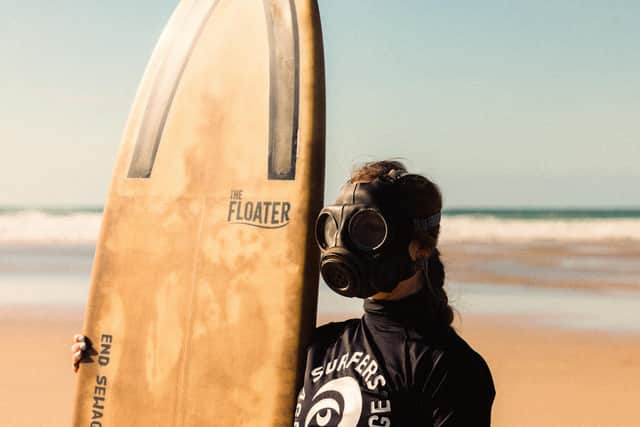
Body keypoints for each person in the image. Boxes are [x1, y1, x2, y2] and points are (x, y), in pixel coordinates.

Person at [72, 160, 495, 426]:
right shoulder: (317, 347)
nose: (347, 248)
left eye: (368, 231)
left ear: (420, 246)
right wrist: (109, 358)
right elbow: (200, 380)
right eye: (337, 230)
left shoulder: (451, 369)